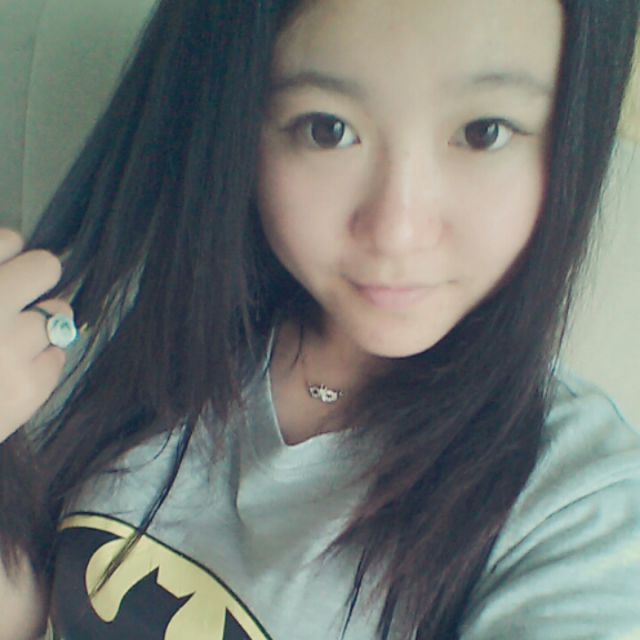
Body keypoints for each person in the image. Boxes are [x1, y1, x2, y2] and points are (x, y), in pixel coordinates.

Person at [1, 0, 639, 638]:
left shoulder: (578, 500)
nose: (397, 231)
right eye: (327, 130)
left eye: (484, 132)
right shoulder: (110, 322)